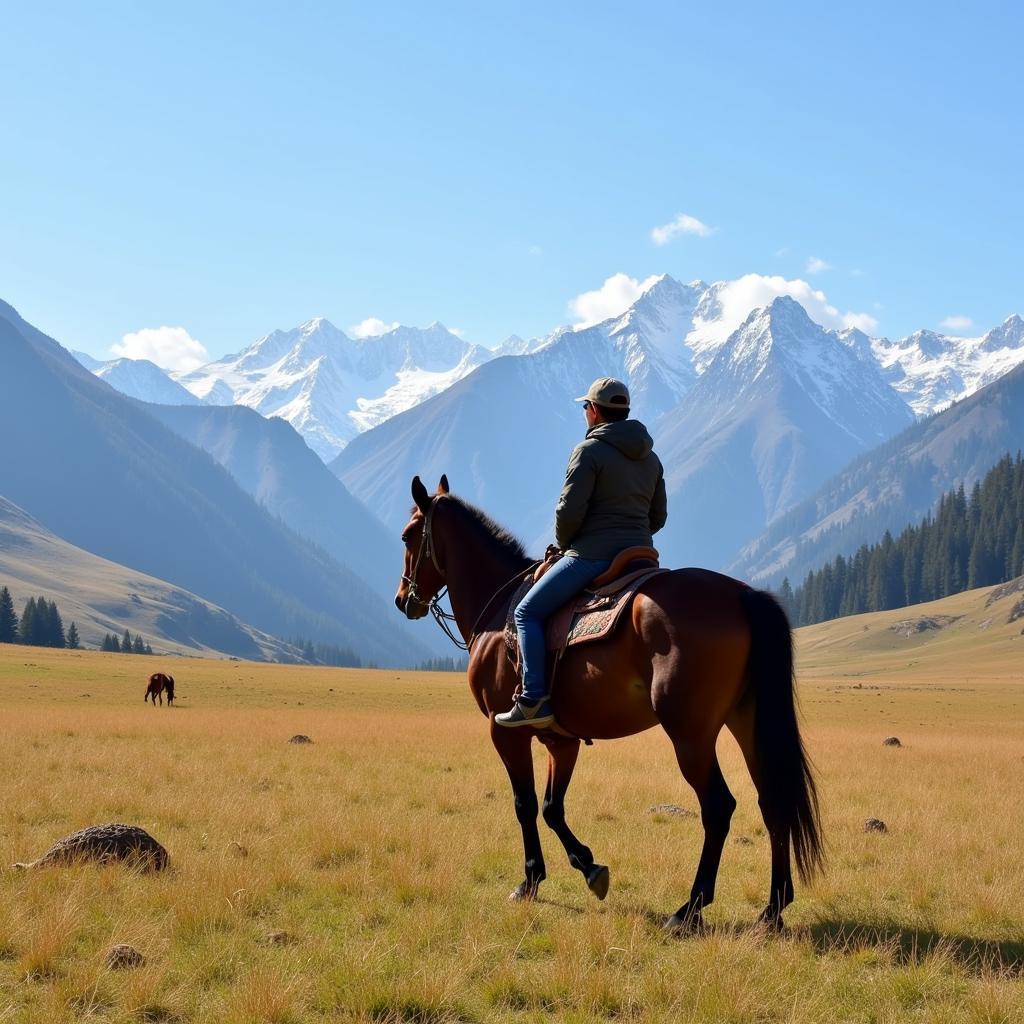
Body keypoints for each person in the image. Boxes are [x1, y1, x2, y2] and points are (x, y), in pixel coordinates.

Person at [495, 376, 668, 728]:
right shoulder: (651, 458)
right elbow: (659, 516)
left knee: (527, 612)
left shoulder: (588, 452)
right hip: (641, 555)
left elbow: (568, 511)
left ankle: (534, 699)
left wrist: (565, 544)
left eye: (585, 407)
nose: (585, 412)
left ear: (594, 412)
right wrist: (633, 535)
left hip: (591, 555)